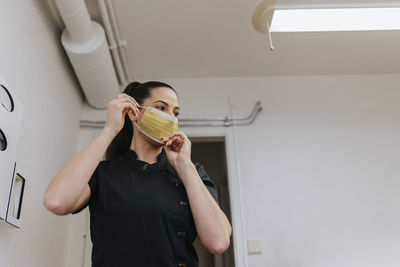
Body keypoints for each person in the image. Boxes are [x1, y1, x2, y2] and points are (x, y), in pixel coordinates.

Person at [43, 81, 232, 267]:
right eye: (161, 108)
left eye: (175, 113)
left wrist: (185, 166)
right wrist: (109, 130)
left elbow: (218, 242)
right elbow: (56, 202)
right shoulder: (103, 173)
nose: (170, 118)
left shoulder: (192, 172)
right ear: (134, 112)